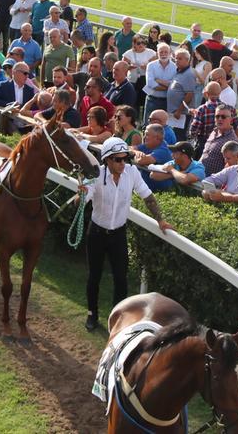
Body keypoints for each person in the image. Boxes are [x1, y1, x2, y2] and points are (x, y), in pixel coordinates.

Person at [79, 138, 174, 332]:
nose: (123, 163)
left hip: (118, 235)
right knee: (94, 276)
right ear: (107, 160)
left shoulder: (131, 172)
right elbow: (83, 198)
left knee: (121, 278)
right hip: (96, 233)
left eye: (125, 159)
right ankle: (92, 314)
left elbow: (147, 196)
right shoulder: (96, 175)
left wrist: (160, 220)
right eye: (118, 159)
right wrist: (79, 196)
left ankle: (119, 319)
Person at [200, 105, 238, 177]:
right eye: (217, 116)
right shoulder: (214, 131)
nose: (220, 119)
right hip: (200, 174)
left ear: (231, 119)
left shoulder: (231, 141)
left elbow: (231, 167)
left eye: (223, 117)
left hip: (213, 182)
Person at [133, 124, 173, 191]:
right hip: (146, 189)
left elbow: (141, 161)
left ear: (157, 137)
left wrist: (134, 156)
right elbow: (130, 148)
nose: (144, 137)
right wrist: (136, 152)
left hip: (159, 192)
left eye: (147, 134)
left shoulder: (163, 150)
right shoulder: (149, 144)